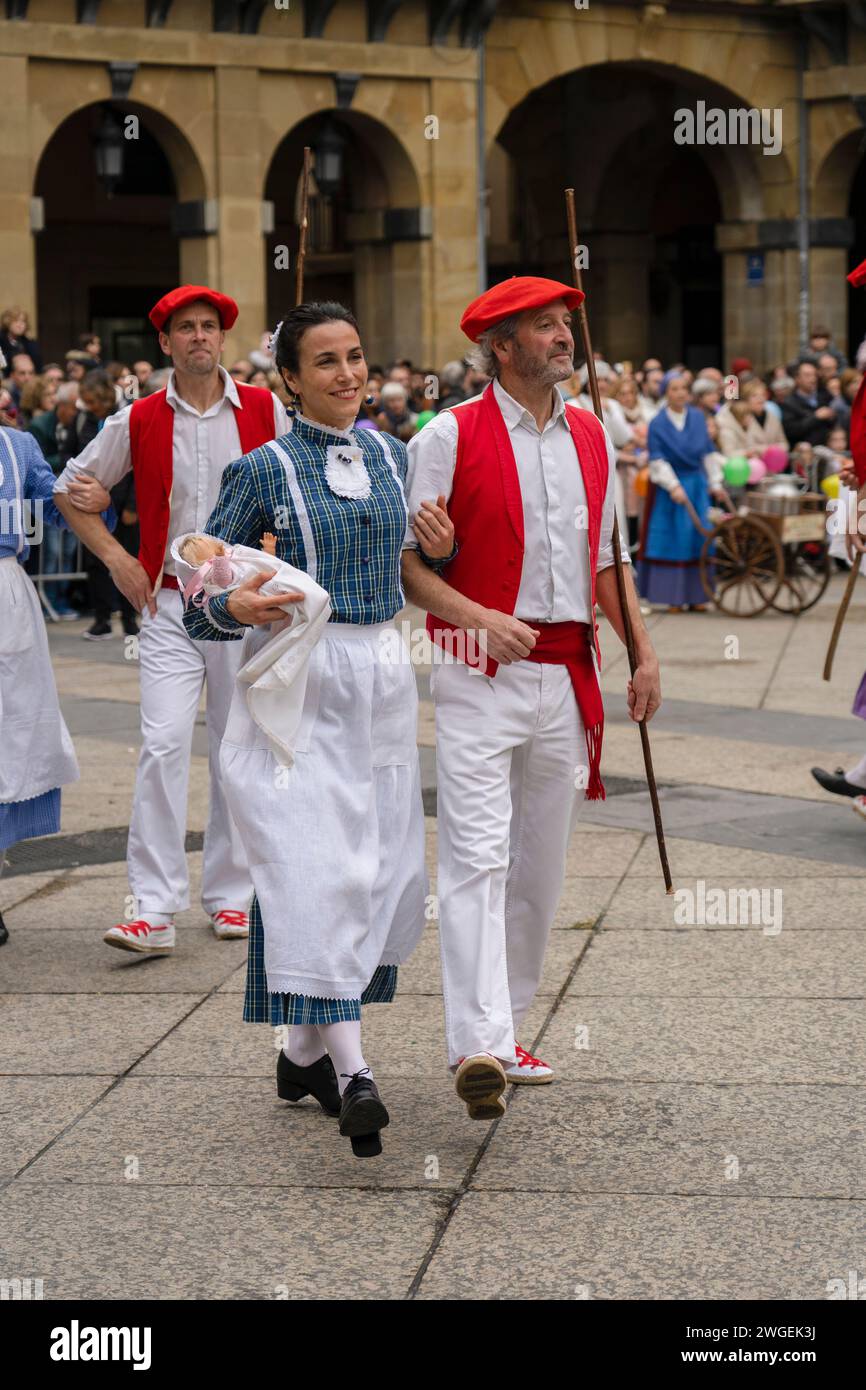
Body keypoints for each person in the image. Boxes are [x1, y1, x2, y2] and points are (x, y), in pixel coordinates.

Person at [181, 301, 447, 1158]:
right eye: (325, 362)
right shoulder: (261, 470)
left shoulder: (391, 455)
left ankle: (301, 1055)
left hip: (382, 675)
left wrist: (437, 549)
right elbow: (196, 588)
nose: (348, 374)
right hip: (301, 684)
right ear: (288, 379)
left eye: (357, 356)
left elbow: (408, 564)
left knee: (385, 873)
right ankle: (357, 1075)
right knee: (319, 871)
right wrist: (236, 601)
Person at [401, 276, 662, 1118]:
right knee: (476, 856)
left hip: (569, 672)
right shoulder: (446, 435)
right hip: (479, 672)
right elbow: (406, 565)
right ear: (501, 348)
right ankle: (475, 1045)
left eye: (565, 324)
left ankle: (507, 1026)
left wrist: (643, 656)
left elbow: (609, 561)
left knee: (540, 866)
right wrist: (477, 615)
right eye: (544, 327)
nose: (563, 337)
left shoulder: (591, 436)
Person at [53, 284, 290, 954]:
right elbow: (69, 491)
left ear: (222, 337)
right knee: (161, 745)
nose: (197, 338)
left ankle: (231, 896)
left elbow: (299, 491)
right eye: (184, 328)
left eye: (208, 327)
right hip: (167, 604)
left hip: (244, 604)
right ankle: (153, 909)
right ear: (164, 343)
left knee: (236, 750)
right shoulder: (136, 419)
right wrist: (117, 558)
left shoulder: (267, 410)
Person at [0, 398, 112, 946]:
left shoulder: (17, 447)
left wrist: (93, 500)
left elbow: (59, 505)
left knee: (10, 740)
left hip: (7, 599)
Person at [637, 372, 728, 611]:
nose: (679, 393)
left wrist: (716, 483)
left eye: (683, 388)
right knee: (673, 539)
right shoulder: (657, 423)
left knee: (699, 537)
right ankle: (673, 597)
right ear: (666, 392)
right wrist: (673, 485)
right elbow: (657, 459)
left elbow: (707, 453)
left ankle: (698, 596)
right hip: (671, 489)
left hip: (697, 485)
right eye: (674, 388)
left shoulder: (698, 418)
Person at [716, 378, 788, 458]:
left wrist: (770, 450)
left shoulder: (772, 417)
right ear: (746, 399)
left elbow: (784, 443)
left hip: (773, 465)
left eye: (763, 395)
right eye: (754, 396)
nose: (760, 399)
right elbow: (730, 451)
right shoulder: (737, 419)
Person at [781, 361, 835, 447]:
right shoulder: (789, 403)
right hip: (805, 449)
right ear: (797, 378)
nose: (813, 379)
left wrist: (832, 417)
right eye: (807, 375)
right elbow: (791, 431)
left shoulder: (826, 396)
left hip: (830, 446)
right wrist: (816, 417)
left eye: (814, 375)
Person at [0, 307, 42, 375]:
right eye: (16, 321)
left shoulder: (30, 344)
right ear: (7, 322)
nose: (20, 325)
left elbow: (38, 367)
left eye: (23, 322)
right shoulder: (1, 342)